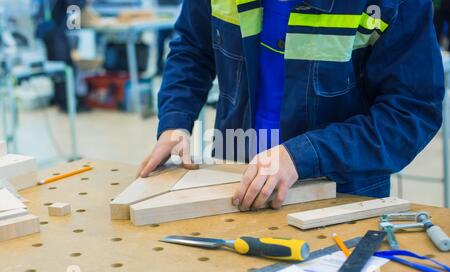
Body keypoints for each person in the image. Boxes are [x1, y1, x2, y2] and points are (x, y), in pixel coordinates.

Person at [138, 0, 444, 211]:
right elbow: (193, 48)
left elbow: (410, 113)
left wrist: (302, 155)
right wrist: (176, 121)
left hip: (341, 198)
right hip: (233, 181)